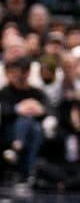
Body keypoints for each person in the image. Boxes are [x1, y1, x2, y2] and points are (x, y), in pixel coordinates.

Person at [0, 57, 47, 191]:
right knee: (27, 122)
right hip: (9, 130)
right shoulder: (5, 92)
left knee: (32, 126)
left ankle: (17, 147)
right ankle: (28, 174)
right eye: (17, 71)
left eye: (24, 71)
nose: (20, 75)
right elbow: (3, 111)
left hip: (33, 131)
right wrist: (18, 108)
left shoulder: (36, 92)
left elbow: (47, 110)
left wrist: (39, 110)